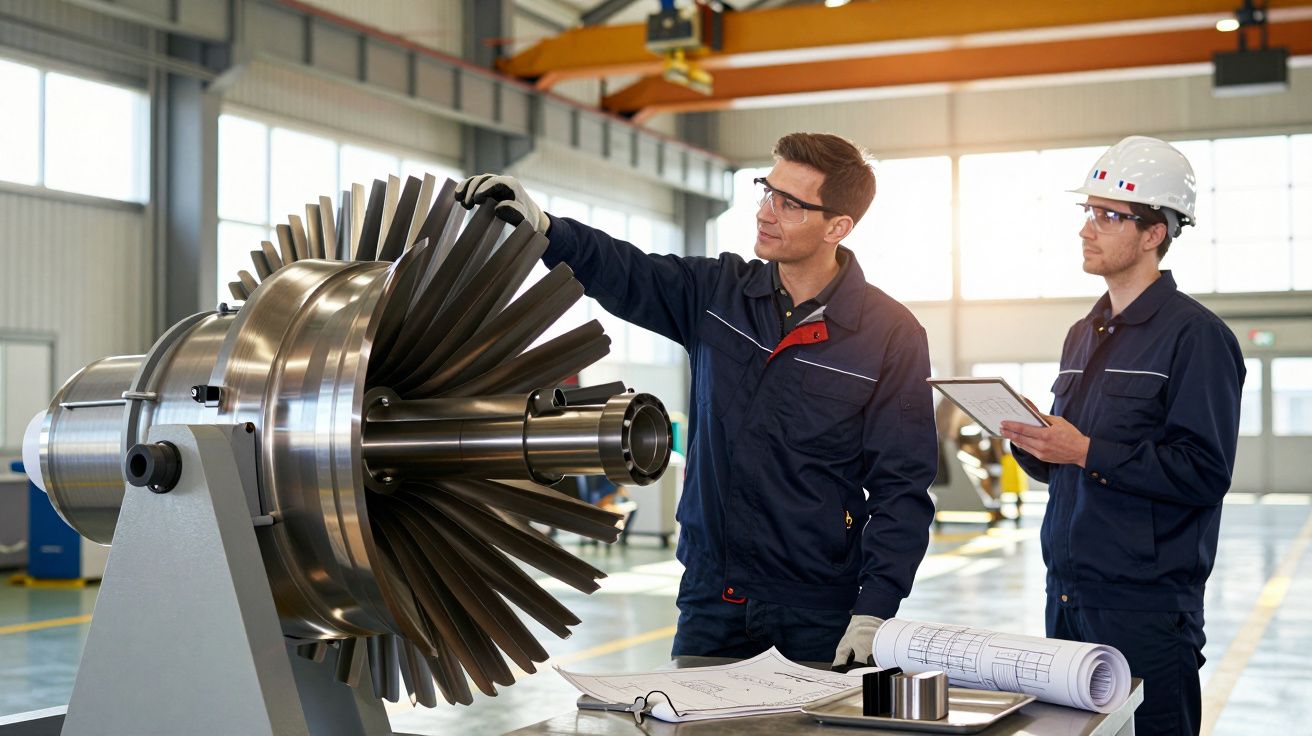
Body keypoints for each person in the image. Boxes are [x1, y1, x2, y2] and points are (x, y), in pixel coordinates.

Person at [456, 132, 937, 666]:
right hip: (713, 598)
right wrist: (547, 230)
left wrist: (874, 609)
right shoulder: (717, 294)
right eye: (765, 191)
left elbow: (901, 486)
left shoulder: (891, 335)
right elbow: (627, 270)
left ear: (838, 227)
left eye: (789, 204)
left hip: (820, 610)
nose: (765, 213)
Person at [1000, 136, 1244, 736]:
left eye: (1110, 216)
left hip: (1147, 612)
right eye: (1088, 212)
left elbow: (1203, 472)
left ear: (1155, 232)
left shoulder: (1196, 337)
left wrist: (1084, 449)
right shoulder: (1084, 333)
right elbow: (1069, 466)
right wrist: (1036, 441)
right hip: (1066, 596)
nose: (1089, 228)